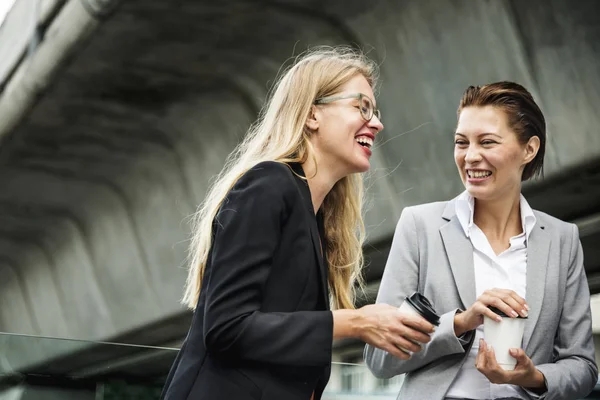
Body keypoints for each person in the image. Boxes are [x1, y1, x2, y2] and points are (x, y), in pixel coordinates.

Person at [160, 46, 436, 400]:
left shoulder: (314, 218)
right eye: (361, 107)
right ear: (312, 115)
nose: (377, 122)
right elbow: (226, 328)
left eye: (375, 111)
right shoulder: (269, 184)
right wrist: (356, 322)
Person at [364, 81, 598, 400]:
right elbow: (379, 357)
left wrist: (536, 376)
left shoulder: (563, 239)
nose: (471, 156)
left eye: (487, 142)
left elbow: (583, 365)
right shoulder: (420, 226)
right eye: (462, 143)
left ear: (529, 149)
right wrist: (460, 323)